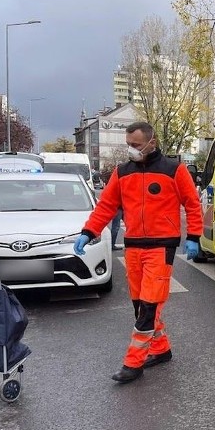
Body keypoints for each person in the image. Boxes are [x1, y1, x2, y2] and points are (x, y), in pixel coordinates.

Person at [73, 121, 203, 383]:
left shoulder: (174, 170)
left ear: (151, 143)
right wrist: (88, 232)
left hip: (161, 247)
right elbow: (106, 206)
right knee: (140, 306)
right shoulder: (122, 173)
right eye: (128, 145)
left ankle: (133, 363)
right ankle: (160, 349)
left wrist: (194, 237)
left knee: (148, 307)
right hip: (133, 246)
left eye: (136, 145)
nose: (131, 149)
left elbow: (192, 204)